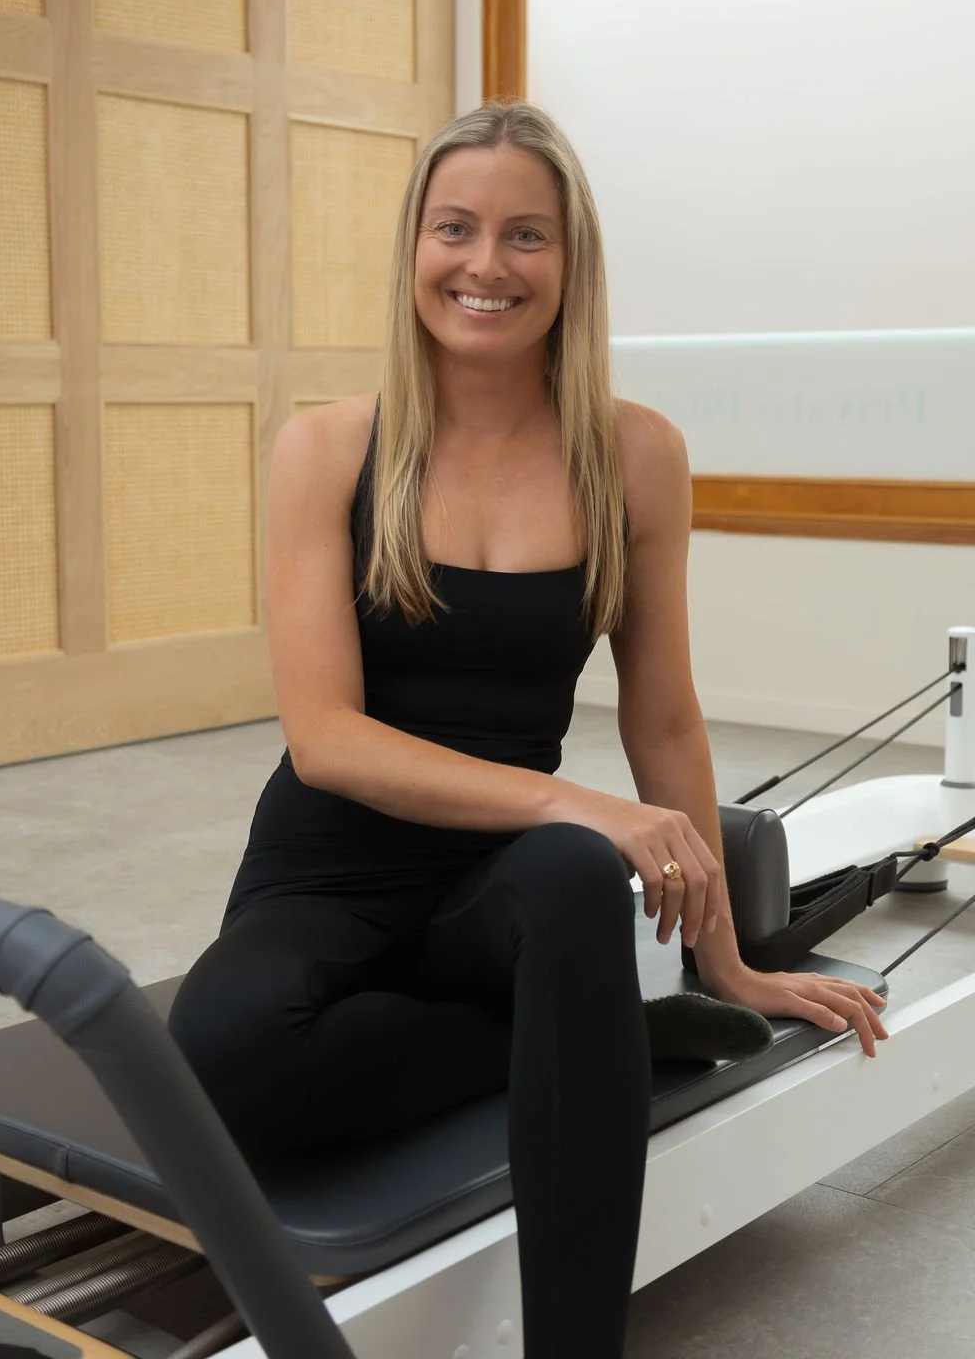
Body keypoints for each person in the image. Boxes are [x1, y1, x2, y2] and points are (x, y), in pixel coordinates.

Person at [169, 101, 887, 1358]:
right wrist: (581, 802)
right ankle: (588, 1027)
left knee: (566, 873)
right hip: (327, 867)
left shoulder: (633, 455)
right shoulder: (328, 449)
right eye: (455, 228)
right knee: (222, 1057)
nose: (485, 266)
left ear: (572, 263)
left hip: (501, 888)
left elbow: (661, 711)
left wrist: (729, 959)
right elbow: (327, 736)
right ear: (413, 250)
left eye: (524, 236)